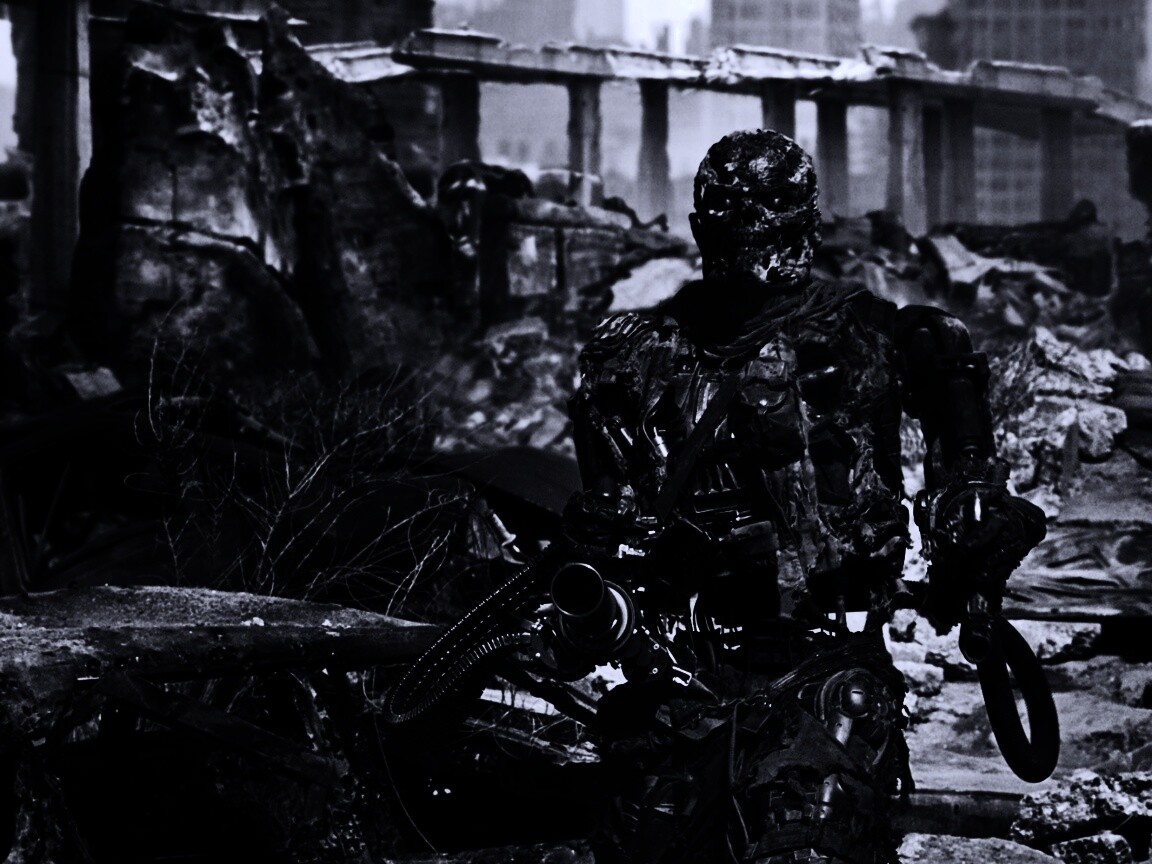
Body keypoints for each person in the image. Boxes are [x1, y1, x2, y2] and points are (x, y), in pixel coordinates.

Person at [548, 129, 1047, 864]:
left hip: (824, 655)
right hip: (682, 671)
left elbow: (966, 465)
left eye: (768, 228)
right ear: (704, 230)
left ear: (803, 227)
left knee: (811, 832)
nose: (753, 252)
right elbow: (606, 509)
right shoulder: (639, 354)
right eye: (736, 229)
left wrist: (968, 527)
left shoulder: (872, 337)